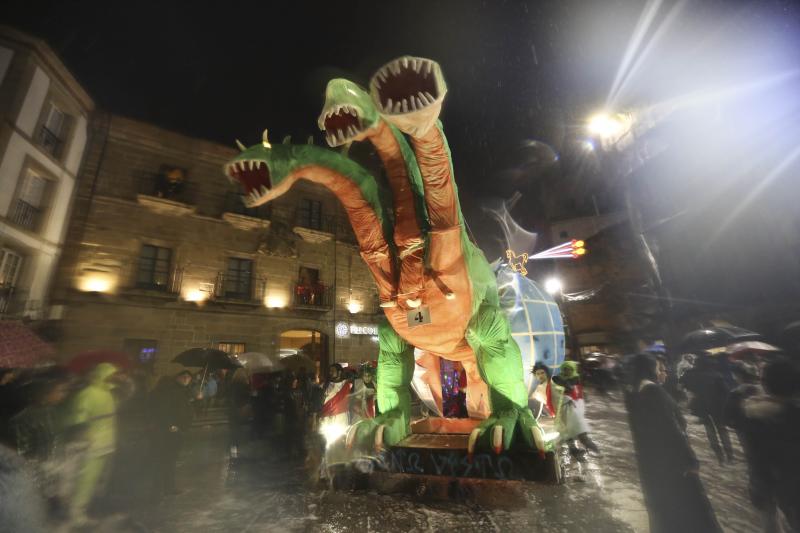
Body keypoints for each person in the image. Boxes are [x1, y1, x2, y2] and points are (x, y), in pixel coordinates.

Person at [626, 353, 722, 533]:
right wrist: (690, 460)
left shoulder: (634, 393)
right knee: (691, 514)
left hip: (653, 467)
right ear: (649, 370)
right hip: (674, 466)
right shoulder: (654, 392)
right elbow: (672, 430)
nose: (664, 373)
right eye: (660, 369)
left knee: (666, 514)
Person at [738, 357, 800, 532]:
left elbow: (757, 459)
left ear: (766, 385)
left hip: (787, 492)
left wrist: (759, 490)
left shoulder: (755, 418)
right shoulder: (794, 413)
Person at [63, 363, 120, 526]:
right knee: (84, 481)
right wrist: (84, 437)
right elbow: (78, 419)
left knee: (93, 481)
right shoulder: (88, 393)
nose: (114, 377)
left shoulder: (108, 393)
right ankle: (74, 513)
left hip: (105, 445)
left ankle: (84, 509)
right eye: (111, 374)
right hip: (92, 446)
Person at [681, 354, 734, 464]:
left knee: (710, 431)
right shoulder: (715, 375)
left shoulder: (691, 374)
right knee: (722, 429)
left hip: (702, 407)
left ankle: (720, 457)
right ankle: (730, 456)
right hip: (718, 406)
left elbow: (682, 384)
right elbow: (726, 391)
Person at [148, 370, 194, 496]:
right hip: (169, 431)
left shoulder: (181, 391)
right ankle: (162, 487)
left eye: (188, 378)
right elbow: (166, 410)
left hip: (173, 430)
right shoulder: (172, 392)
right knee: (166, 460)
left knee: (168, 460)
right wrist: (171, 425)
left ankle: (165, 486)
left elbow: (185, 410)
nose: (186, 380)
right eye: (183, 377)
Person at [552, 361, 600, 459]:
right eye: (565, 369)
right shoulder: (557, 379)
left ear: (573, 369)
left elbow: (578, 394)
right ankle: (575, 452)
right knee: (567, 432)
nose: (567, 371)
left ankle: (593, 449)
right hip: (564, 407)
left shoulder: (575, 379)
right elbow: (555, 394)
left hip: (575, 407)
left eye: (569, 369)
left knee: (580, 429)